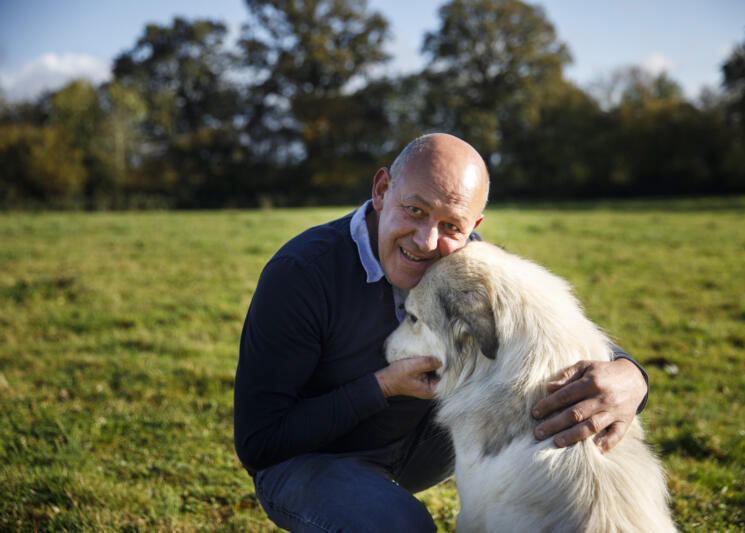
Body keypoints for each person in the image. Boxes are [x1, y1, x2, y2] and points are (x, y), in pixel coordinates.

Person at [234, 133, 649, 532]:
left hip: (423, 448)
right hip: (312, 458)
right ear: (381, 190)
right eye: (415, 209)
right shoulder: (301, 274)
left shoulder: (464, 262)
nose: (427, 241)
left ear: (474, 226)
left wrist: (632, 376)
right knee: (400, 527)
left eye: (452, 225)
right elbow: (260, 443)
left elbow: (541, 333)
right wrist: (382, 387)